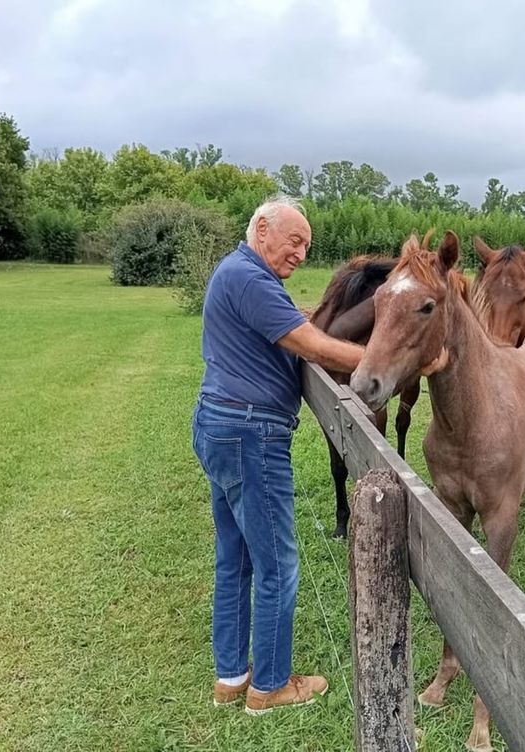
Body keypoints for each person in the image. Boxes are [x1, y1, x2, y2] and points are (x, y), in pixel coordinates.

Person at [192, 195, 364, 715]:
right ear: (262, 229)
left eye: (307, 246)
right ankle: (269, 687)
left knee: (236, 558)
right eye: (295, 241)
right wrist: (385, 360)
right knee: (277, 566)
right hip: (251, 436)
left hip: (221, 426)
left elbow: (291, 324)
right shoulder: (250, 278)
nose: (301, 254)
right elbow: (313, 345)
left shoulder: (242, 273)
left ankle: (231, 678)